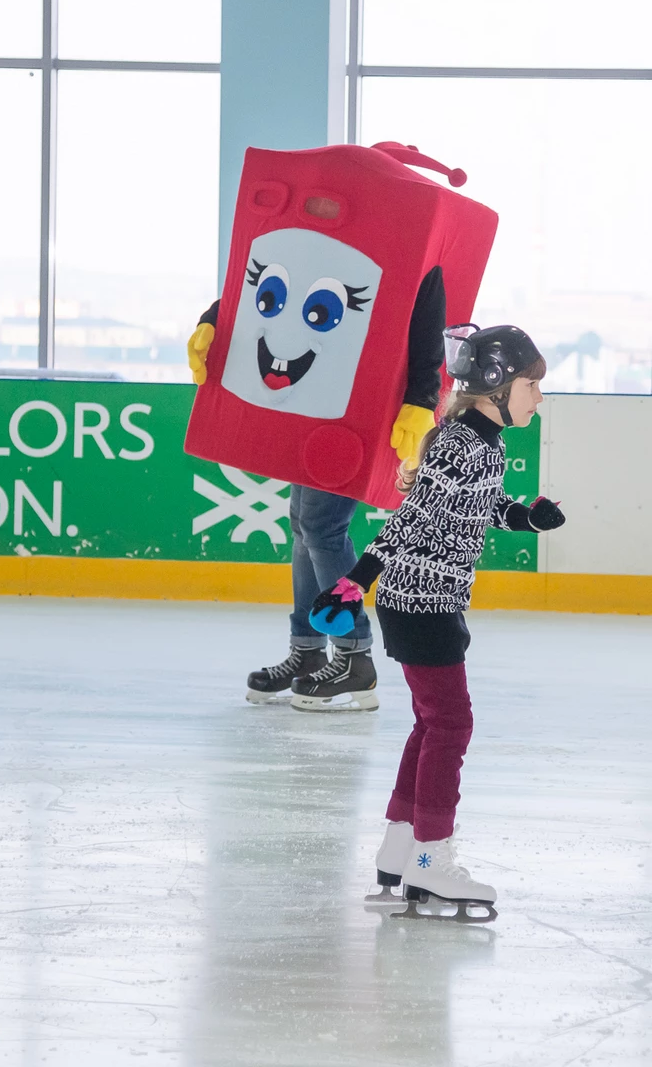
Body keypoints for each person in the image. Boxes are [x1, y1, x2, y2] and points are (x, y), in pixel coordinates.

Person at [309, 324, 564, 922]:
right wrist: (355, 580)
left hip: (429, 598)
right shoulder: (463, 444)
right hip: (421, 599)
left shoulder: (479, 442)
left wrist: (527, 518)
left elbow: (476, 506)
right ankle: (432, 859)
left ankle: (401, 849)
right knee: (451, 724)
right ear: (497, 387)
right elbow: (415, 516)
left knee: (432, 723)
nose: (539, 397)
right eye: (531, 385)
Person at [186, 266, 447, 711]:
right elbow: (280, 266)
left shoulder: (408, 239)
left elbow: (427, 315)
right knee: (304, 526)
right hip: (314, 398)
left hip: (361, 405)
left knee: (322, 526)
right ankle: (308, 649)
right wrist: (216, 315)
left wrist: (422, 397)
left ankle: (354, 655)